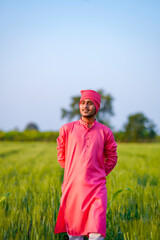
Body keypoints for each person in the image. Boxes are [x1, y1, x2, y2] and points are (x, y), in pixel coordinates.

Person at [54, 90, 118, 240]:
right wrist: (74, 172)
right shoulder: (67, 129)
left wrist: (97, 173)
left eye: (89, 103)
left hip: (97, 188)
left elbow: (112, 157)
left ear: (96, 106)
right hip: (73, 189)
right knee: (75, 236)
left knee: (96, 234)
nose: (85, 106)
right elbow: (61, 154)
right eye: (83, 103)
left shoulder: (105, 132)